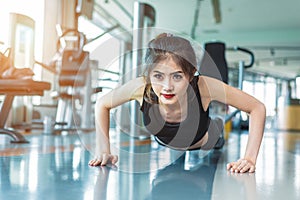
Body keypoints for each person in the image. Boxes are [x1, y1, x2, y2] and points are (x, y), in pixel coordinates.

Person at [88, 33, 266, 173]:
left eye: (177, 76)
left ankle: (217, 125)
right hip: (165, 140)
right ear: (149, 75)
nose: (167, 87)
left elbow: (257, 108)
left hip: (202, 140)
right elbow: (102, 104)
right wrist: (104, 149)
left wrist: (249, 159)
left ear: (191, 75)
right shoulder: (142, 87)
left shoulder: (203, 86)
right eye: (158, 76)